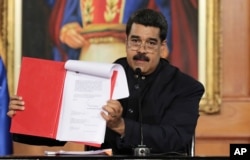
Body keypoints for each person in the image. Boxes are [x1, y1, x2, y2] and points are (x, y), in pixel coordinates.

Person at [8, 8, 204, 155]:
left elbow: (176, 138)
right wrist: (23, 117)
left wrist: (121, 126)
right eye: (135, 41)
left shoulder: (186, 88)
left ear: (162, 47)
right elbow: (65, 128)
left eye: (151, 43)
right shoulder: (101, 79)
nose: (142, 50)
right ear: (126, 42)